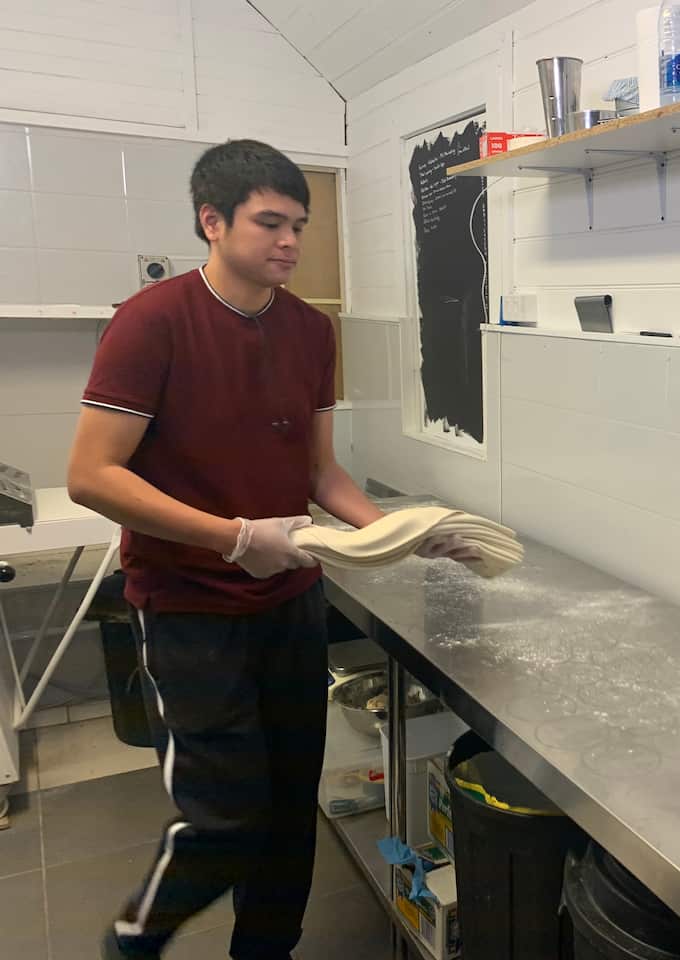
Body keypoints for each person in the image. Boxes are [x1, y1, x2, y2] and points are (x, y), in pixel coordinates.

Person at [68, 139, 472, 959]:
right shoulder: (152, 322)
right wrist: (235, 537)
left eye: (298, 225)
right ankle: (133, 940)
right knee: (225, 816)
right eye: (269, 223)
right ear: (211, 222)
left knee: (291, 810)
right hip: (188, 610)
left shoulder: (310, 332)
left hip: (289, 604)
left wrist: (407, 531)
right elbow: (90, 475)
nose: (289, 242)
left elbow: (321, 472)